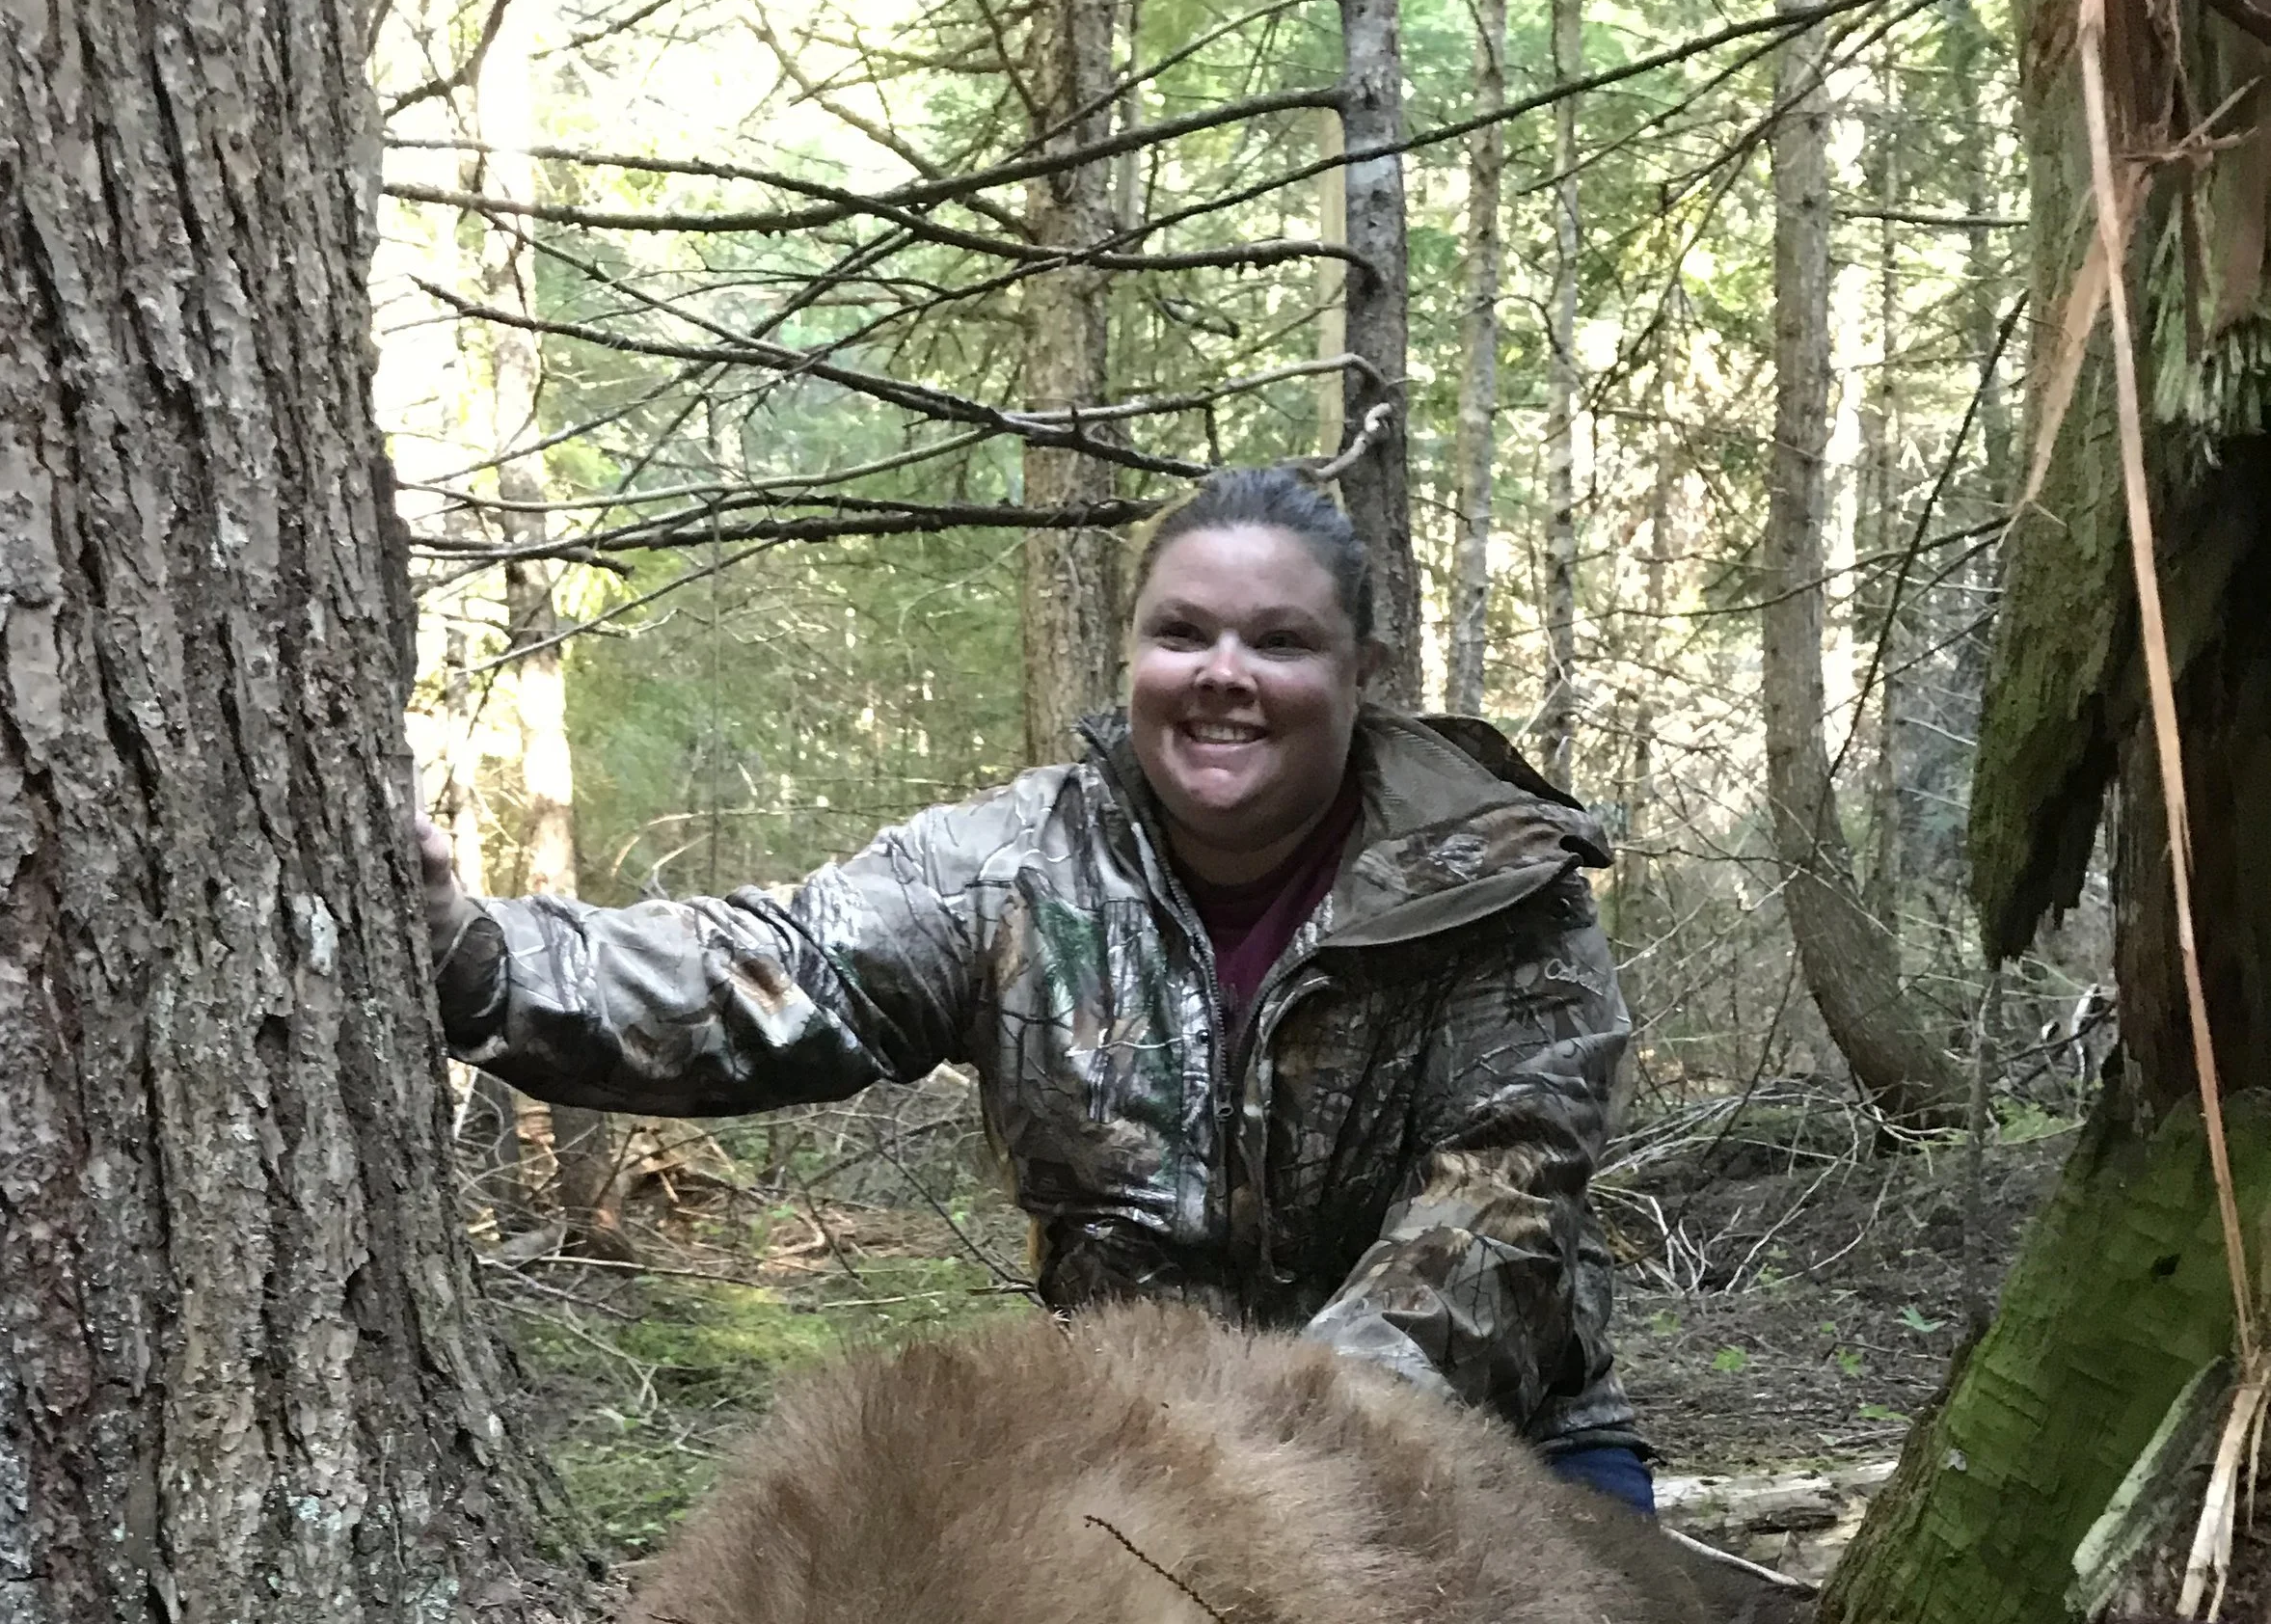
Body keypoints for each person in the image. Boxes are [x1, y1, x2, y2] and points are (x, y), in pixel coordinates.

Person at [421, 464, 1654, 1506]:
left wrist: (1287, 1455)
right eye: (1182, 635)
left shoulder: (1498, 883)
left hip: (1487, 1446)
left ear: (1362, 666)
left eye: (1279, 641)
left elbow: (1496, 1213)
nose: (1224, 674)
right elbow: (768, 972)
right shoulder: (1016, 868)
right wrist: (473, 956)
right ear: (1135, 655)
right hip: (1137, 1448)